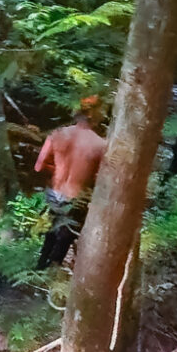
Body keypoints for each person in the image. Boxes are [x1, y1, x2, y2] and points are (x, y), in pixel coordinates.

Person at [32, 97, 108, 269]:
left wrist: (59, 169)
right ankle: (53, 269)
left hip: (54, 193)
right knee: (66, 236)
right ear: (94, 116)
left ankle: (39, 267)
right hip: (77, 197)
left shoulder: (57, 134)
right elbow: (102, 179)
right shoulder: (100, 144)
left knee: (51, 230)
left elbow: (38, 167)